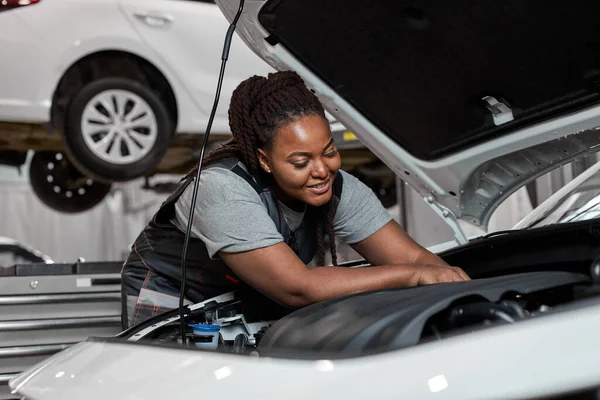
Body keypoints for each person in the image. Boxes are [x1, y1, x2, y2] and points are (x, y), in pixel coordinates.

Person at [120, 70, 470, 329]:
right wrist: (413, 278)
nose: (322, 170)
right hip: (173, 292)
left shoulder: (338, 187)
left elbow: (410, 257)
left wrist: (459, 289)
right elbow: (297, 288)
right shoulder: (221, 189)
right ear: (264, 160)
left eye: (329, 152)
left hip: (244, 290)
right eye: (301, 162)